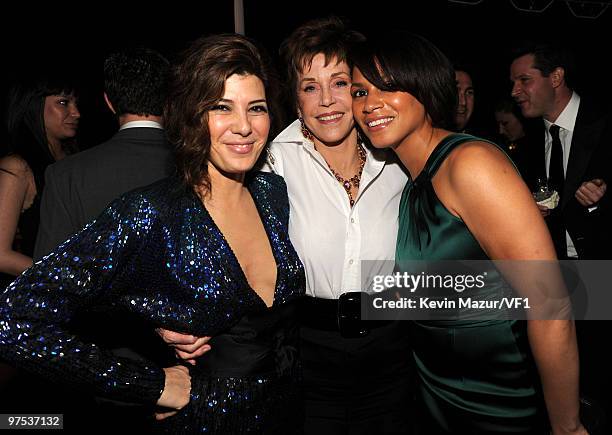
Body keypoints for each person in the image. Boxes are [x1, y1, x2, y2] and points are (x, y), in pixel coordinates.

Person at [0, 33, 305, 434]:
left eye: (257, 108)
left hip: (289, 413)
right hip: (205, 420)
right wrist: (151, 383)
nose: (244, 127)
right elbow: (14, 319)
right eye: (221, 107)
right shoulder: (150, 212)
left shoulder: (273, 195)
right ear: (190, 115)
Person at [350, 32, 586, 434]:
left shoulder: (469, 164)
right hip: (436, 394)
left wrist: (567, 427)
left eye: (389, 87)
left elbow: (551, 304)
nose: (371, 103)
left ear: (424, 88)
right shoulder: (411, 182)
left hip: (498, 400)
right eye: (359, 91)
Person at [34, 47, 173, 259]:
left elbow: (49, 277)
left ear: (109, 102)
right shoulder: (203, 165)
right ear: (169, 101)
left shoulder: (66, 175)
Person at [509, 41, 611, 260]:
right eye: (513, 82)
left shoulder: (604, 124)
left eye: (524, 80)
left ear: (555, 78)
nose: (514, 91)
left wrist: (600, 200)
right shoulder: (526, 145)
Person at [0, 72, 79, 287]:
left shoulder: (76, 160)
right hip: (35, 299)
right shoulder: (17, 167)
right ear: (33, 106)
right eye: (63, 103)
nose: (76, 113)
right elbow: (1, 255)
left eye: (75, 103)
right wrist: (62, 277)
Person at [494, 96, 542, 188]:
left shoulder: (541, 147)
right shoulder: (505, 148)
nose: (501, 130)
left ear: (520, 118)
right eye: (498, 124)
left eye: (505, 123)